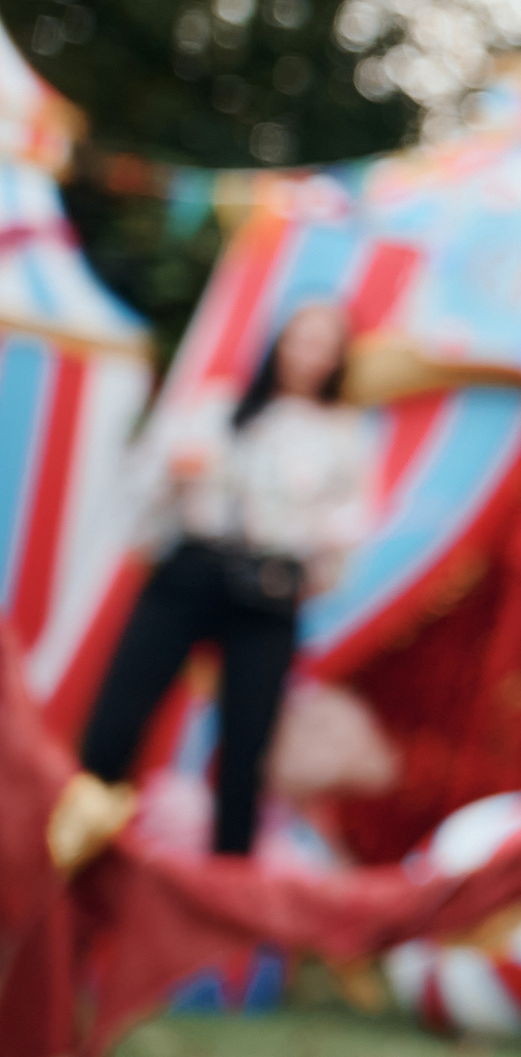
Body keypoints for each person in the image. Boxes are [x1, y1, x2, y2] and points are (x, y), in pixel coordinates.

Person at [69, 302, 374, 860]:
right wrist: (174, 471)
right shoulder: (219, 408)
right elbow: (148, 485)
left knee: (246, 753)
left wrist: (304, 540)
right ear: (278, 340)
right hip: (193, 570)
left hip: (268, 593)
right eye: (299, 337)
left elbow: (344, 543)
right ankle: (75, 848)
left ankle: (221, 889)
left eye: (322, 343)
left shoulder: (341, 439)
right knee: (115, 721)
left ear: (337, 359)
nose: (307, 353)